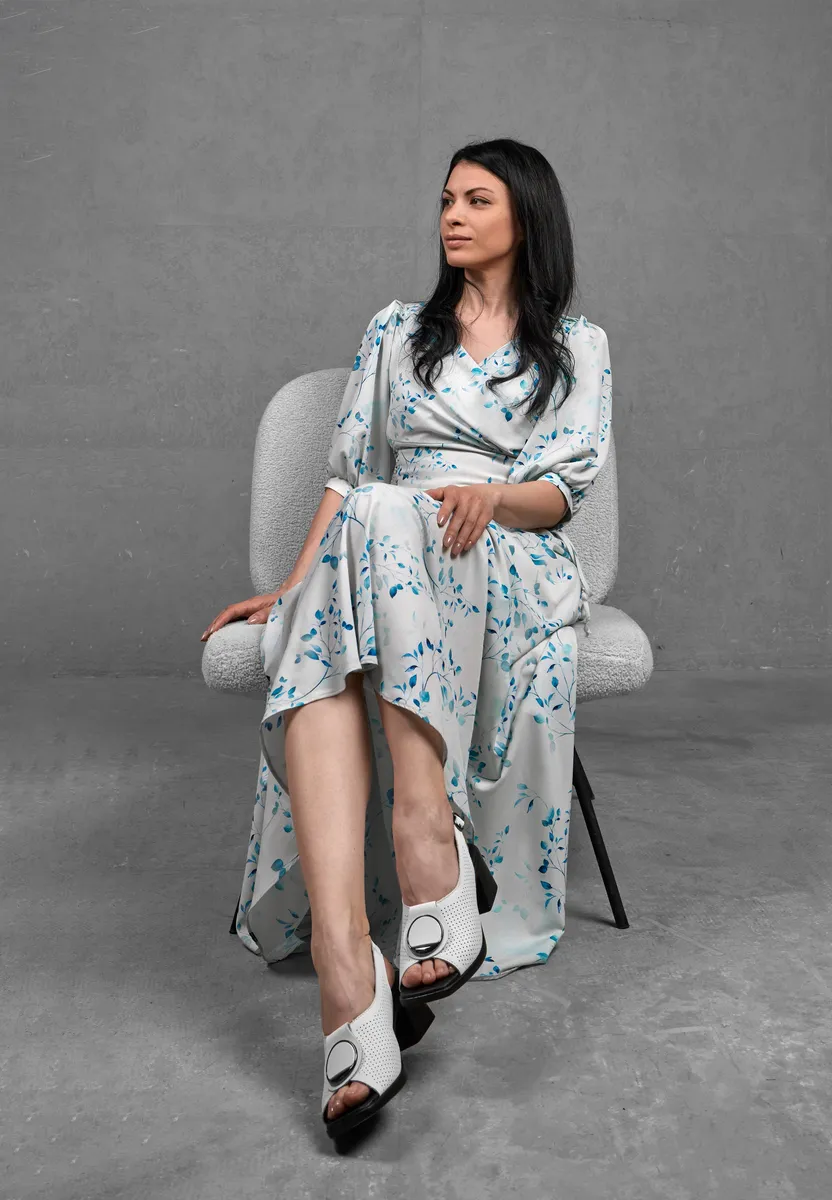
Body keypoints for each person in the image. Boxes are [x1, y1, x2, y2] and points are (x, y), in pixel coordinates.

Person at [200, 138, 612, 1142]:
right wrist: (291, 588)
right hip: (387, 550)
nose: (452, 216)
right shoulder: (396, 331)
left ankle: (422, 854)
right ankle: (354, 965)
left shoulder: (577, 344)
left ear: (527, 217)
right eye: (445, 200)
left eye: (477, 200)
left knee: (386, 513)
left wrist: (487, 495)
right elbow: (348, 475)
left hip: (504, 551)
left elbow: (562, 491)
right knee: (375, 516)